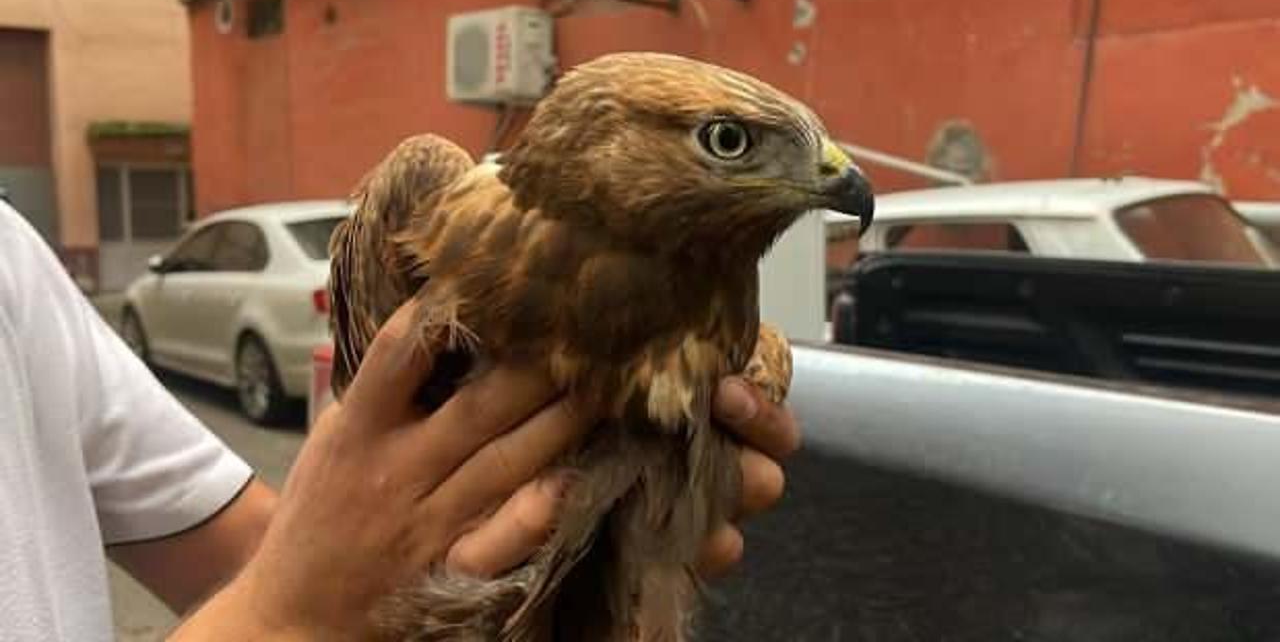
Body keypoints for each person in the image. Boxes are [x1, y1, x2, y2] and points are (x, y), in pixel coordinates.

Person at [0, 201, 800, 639]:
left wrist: (523, 569)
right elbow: (298, 591)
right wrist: (289, 621)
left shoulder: (11, 259)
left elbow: (257, 548)